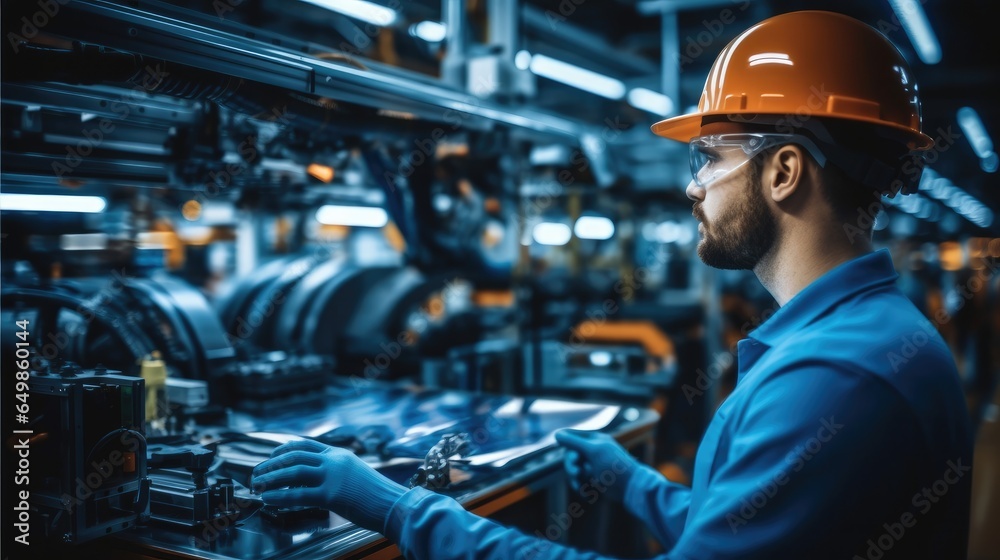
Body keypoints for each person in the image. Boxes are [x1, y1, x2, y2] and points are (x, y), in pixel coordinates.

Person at [250, 10, 972, 559]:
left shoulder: (836, 376)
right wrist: (630, 479)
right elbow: (744, 527)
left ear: (784, 172)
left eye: (709, 157)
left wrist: (396, 508)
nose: (693, 189)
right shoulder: (861, 340)